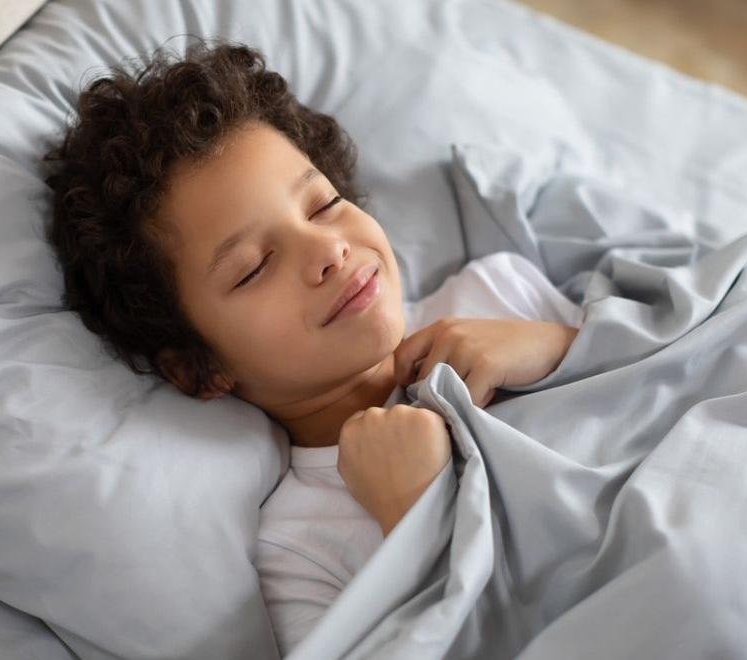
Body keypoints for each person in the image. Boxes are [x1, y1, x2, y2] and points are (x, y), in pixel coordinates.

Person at [43, 40, 582, 654]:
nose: (328, 251)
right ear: (200, 368)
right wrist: (417, 515)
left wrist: (562, 348)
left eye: (324, 204)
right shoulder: (299, 551)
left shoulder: (503, 290)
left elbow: (691, 368)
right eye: (253, 268)